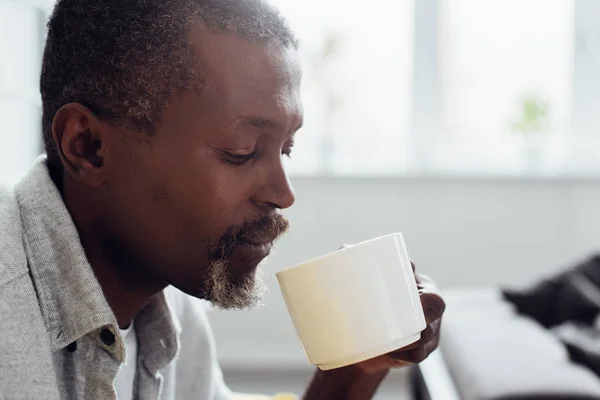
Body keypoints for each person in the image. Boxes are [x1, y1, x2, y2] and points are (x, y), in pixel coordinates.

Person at [0, 0, 446, 399]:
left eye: (285, 149)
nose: (282, 195)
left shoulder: (166, 297)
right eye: (242, 152)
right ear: (89, 147)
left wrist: (358, 367)